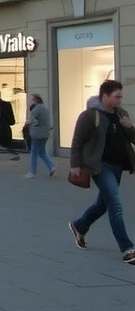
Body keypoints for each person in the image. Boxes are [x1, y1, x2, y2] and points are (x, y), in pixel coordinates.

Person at [67, 80, 135, 265]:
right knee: (116, 205)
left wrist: (129, 126)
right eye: (116, 96)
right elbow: (77, 141)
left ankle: (79, 225)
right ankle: (128, 249)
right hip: (100, 166)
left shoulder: (122, 114)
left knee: (103, 204)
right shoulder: (90, 115)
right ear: (104, 96)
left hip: (118, 166)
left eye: (121, 96)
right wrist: (75, 163)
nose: (120, 100)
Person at [24, 93, 55, 177]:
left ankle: (32, 172)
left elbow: (32, 120)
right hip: (45, 133)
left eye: (31, 99)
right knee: (42, 151)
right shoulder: (44, 109)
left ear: (36, 100)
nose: (30, 101)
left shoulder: (36, 109)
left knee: (33, 152)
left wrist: (27, 124)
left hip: (37, 133)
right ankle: (51, 166)